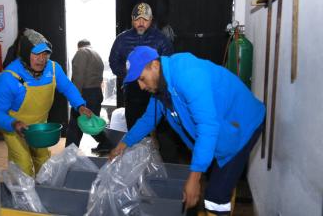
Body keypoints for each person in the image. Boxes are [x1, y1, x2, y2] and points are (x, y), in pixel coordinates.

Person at [109, 46, 266, 216]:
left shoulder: (188, 74)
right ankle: (225, 192)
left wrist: (195, 176)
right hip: (221, 125)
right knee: (215, 180)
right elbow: (148, 119)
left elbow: (207, 127)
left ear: (154, 65)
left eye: (141, 79)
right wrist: (124, 143)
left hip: (242, 124)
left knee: (215, 196)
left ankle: (222, 201)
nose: (140, 86)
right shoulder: (161, 88)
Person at [0, 29, 93, 177]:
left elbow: (68, 87)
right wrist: (13, 123)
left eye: (45, 54)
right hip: (15, 128)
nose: (42, 59)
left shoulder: (52, 68)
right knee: (23, 167)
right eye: (36, 54)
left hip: (40, 126)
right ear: (26, 53)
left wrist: (80, 105)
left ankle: (43, 194)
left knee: (44, 163)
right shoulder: (9, 78)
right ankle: (22, 198)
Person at [109, 2, 185, 163]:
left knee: (164, 130)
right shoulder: (122, 39)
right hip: (132, 91)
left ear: (151, 20)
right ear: (132, 20)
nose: (141, 23)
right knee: (135, 126)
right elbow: (113, 61)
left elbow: (168, 62)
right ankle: (136, 165)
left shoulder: (161, 39)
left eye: (145, 19)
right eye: (137, 19)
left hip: (159, 90)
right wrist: (131, 76)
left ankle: (166, 165)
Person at [66, 39, 108, 151]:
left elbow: (78, 76)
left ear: (79, 46)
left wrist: (76, 97)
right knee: (92, 121)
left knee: (75, 125)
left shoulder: (82, 52)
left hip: (85, 93)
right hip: (96, 92)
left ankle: (69, 153)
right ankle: (105, 143)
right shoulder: (97, 55)